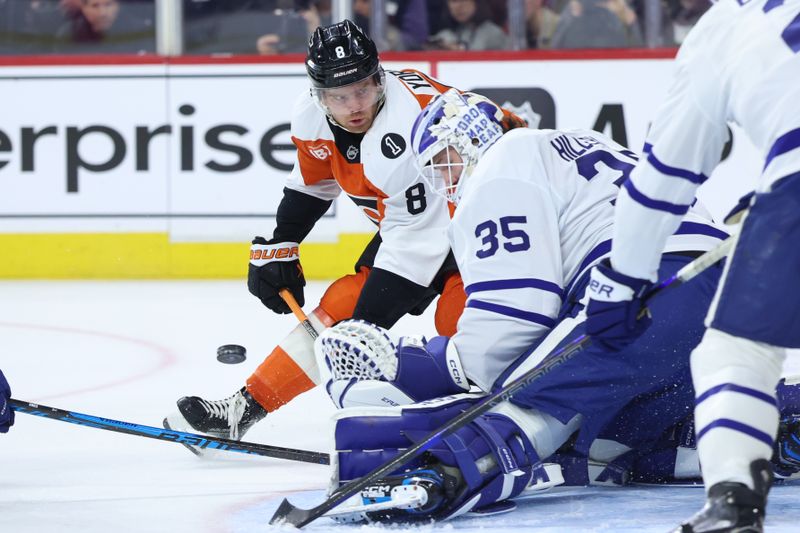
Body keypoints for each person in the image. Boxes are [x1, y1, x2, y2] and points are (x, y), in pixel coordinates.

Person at [313, 89, 734, 522]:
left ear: (468, 138)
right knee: (620, 437)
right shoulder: (571, 144)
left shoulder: (501, 165)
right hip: (721, 291)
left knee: (527, 402)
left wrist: (425, 365)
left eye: (444, 160)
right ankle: (766, 422)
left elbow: (511, 323)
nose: (446, 179)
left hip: (643, 288)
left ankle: (440, 471)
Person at [164, 21, 525, 449]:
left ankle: (504, 422)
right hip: (417, 219)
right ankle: (243, 408)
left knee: (463, 325)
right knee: (341, 307)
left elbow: (416, 246)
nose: (354, 105)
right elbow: (315, 183)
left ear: (380, 79)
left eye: (363, 89)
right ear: (318, 95)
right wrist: (282, 243)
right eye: (338, 95)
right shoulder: (310, 116)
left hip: (480, 220)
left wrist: (363, 327)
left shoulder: (406, 124)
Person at [582, 0, 800, 531]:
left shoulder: (726, 26)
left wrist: (620, 281)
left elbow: (658, 186)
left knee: (733, 352)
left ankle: (733, 499)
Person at [53, 0, 155, 54]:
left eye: (108, 4)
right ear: (83, 8)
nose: (102, 13)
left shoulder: (139, 32)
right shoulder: (68, 34)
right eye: (95, 6)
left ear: (118, 6)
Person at [428, 0, 510, 51]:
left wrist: (460, 50)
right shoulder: (445, 35)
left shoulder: (493, 33)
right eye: (454, 1)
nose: (458, 6)